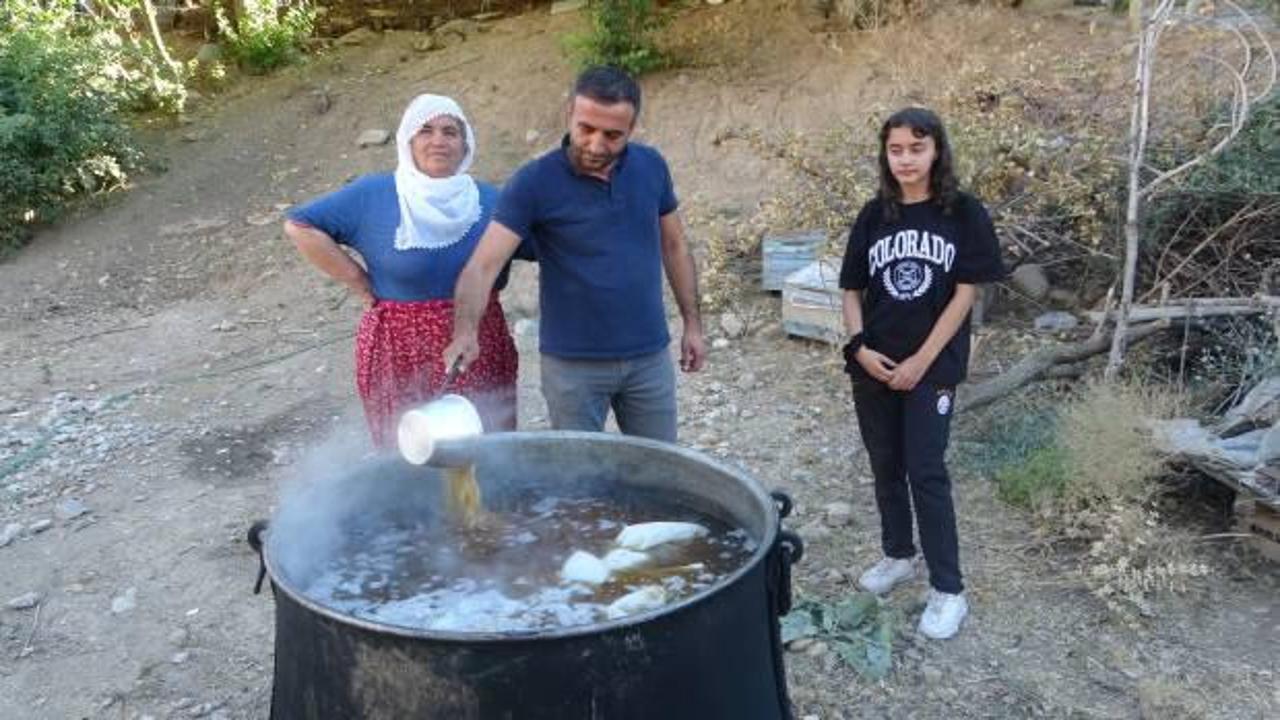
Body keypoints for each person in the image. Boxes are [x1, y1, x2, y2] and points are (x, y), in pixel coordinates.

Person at [443, 66, 705, 443]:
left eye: (612, 135)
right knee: (578, 472)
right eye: (586, 129)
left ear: (632, 128)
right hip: (572, 367)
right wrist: (465, 331)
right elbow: (482, 266)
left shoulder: (651, 167)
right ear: (569, 114)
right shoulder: (533, 183)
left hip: (649, 358)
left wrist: (693, 325)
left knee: (659, 465)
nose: (596, 145)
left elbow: (674, 245)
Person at [839, 107, 1005, 640]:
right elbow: (850, 289)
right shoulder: (874, 215)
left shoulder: (963, 213)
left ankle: (948, 589)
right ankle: (897, 555)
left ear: (937, 151)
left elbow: (965, 295)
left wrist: (922, 361)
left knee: (926, 470)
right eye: (896, 150)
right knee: (885, 463)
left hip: (931, 368)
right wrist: (859, 348)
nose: (906, 159)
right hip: (875, 364)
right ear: (885, 155)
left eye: (917, 148)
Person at [284, 93, 532, 448]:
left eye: (450, 132)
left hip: (477, 343)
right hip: (397, 346)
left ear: (465, 145)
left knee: (485, 446)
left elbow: (547, 245)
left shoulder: (492, 201)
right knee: (410, 450)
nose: (438, 140)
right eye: (425, 130)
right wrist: (358, 281)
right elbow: (300, 226)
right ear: (408, 141)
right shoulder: (373, 194)